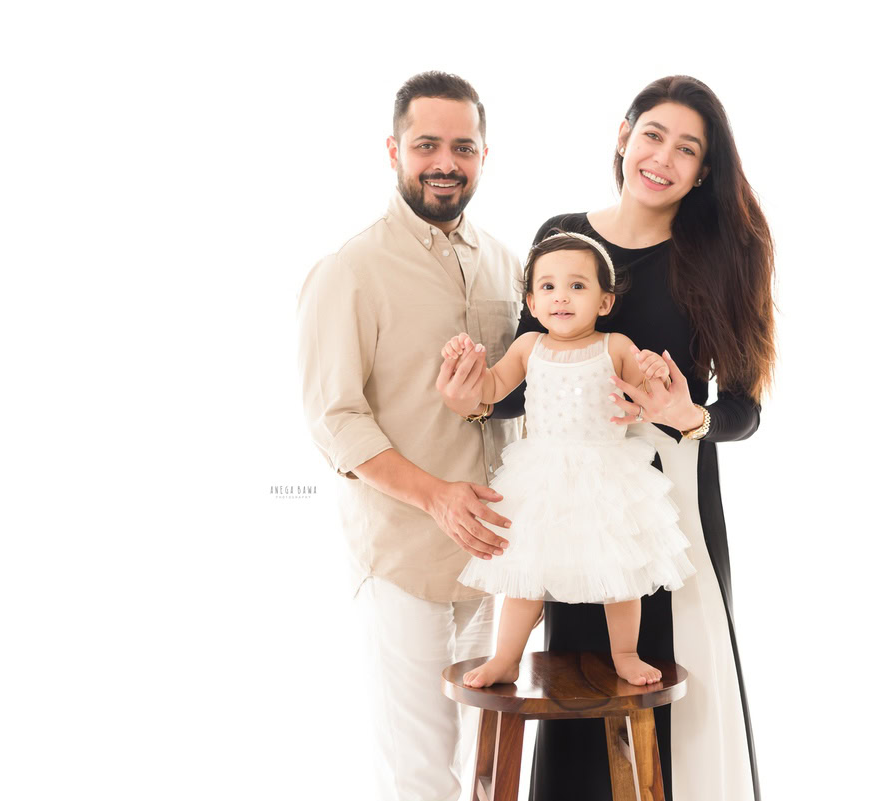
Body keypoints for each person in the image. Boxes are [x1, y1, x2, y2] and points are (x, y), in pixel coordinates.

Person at [439, 75, 775, 801]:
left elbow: (744, 408)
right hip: (571, 490)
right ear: (623, 135)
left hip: (670, 496)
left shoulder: (723, 253)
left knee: (675, 670)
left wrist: (692, 415)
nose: (663, 157)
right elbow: (531, 383)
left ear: (704, 171)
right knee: (578, 672)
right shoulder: (564, 237)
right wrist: (474, 400)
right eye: (652, 134)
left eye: (688, 149)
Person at [296, 71, 524, 801]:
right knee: (421, 774)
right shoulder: (350, 270)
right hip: (404, 560)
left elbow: (518, 391)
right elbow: (335, 419)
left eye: (463, 146)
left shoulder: (507, 262)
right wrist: (435, 497)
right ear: (394, 150)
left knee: (485, 767)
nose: (445, 161)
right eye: (427, 144)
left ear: (486, 155)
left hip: (497, 559)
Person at [439, 231, 695, 689]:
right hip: (542, 475)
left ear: (604, 301)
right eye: (548, 287)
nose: (562, 297)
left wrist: (654, 372)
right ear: (532, 304)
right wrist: (466, 369)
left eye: (578, 286)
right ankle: (505, 658)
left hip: (606, 473)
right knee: (525, 576)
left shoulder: (614, 344)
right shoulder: (528, 347)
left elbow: (647, 391)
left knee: (622, 572)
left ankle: (625, 653)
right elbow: (493, 390)